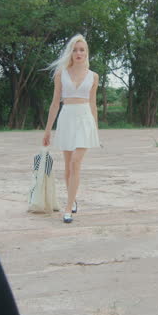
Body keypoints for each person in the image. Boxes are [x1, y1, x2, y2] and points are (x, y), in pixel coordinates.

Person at [42, 34, 100, 223]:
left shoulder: (94, 76)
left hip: (85, 119)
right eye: (75, 49)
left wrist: (95, 128)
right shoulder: (61, 74)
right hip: (66, 118)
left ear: (86, 52)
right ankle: (72, 199)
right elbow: (54, 103)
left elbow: (93, 103)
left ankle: (68, 208)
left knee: (76, 162)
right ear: (71, 52)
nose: (78, 53)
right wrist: (48, 130)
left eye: (82, 49)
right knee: (67, 167)